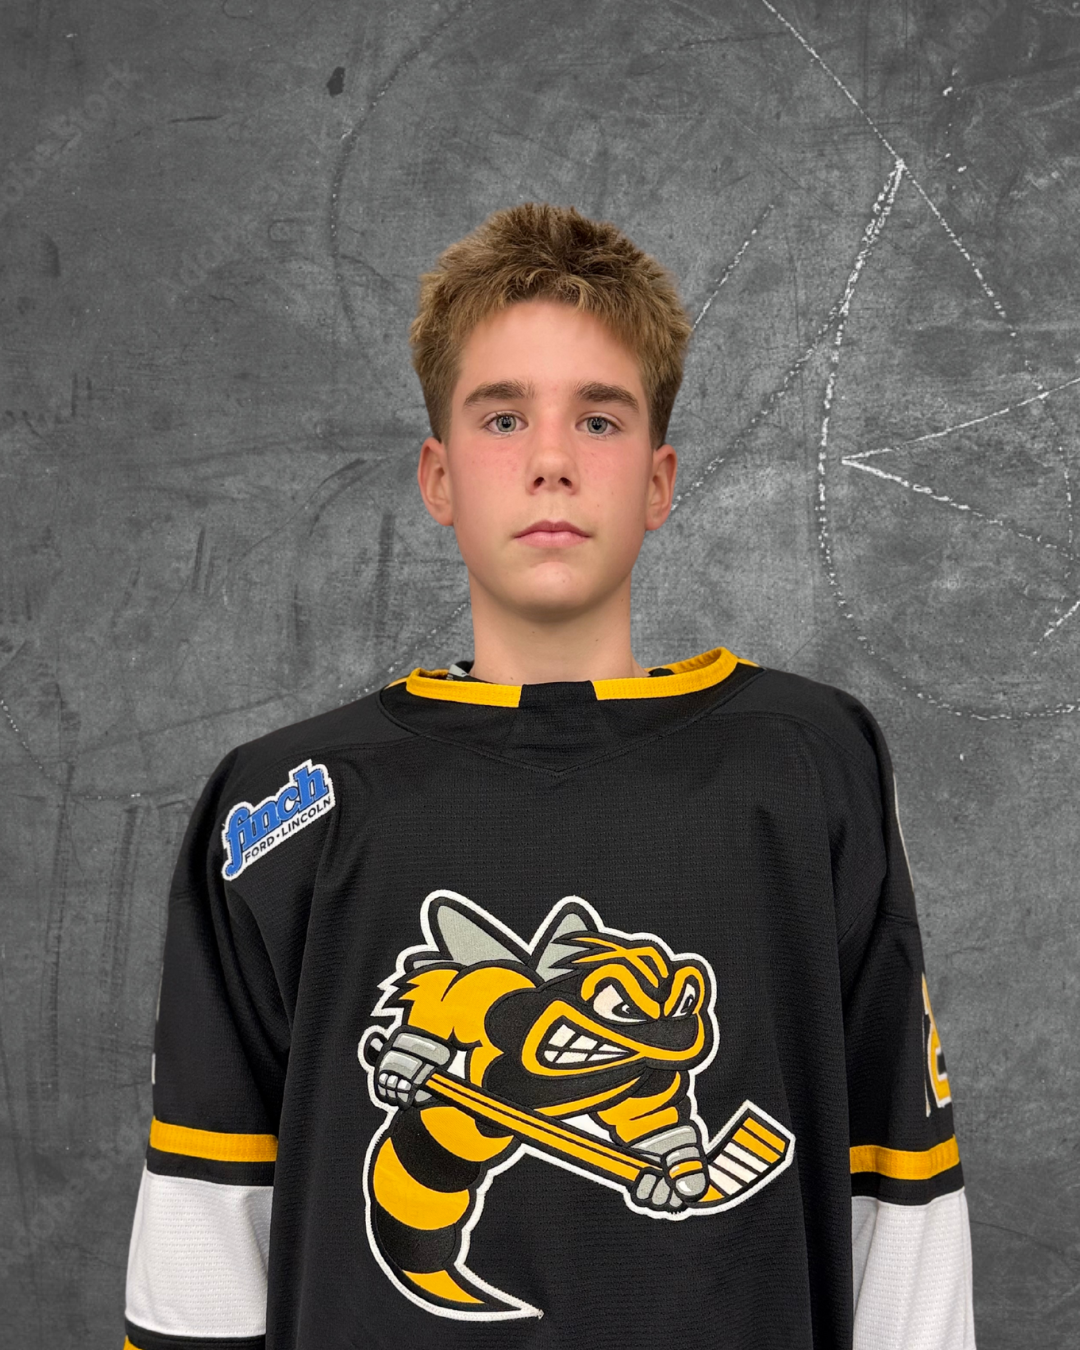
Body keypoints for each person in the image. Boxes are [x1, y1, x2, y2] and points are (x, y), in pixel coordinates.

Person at [121, 203, 976, 1350]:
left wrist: (675, 1162)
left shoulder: (811, 763)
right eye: (503, 415)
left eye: (600, 419)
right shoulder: (286, 803)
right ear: (438, 477)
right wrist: (421, 1059)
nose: (553, 461)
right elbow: (207, 1207)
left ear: (660, 482)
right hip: (444, 1143)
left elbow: (901, 1176)